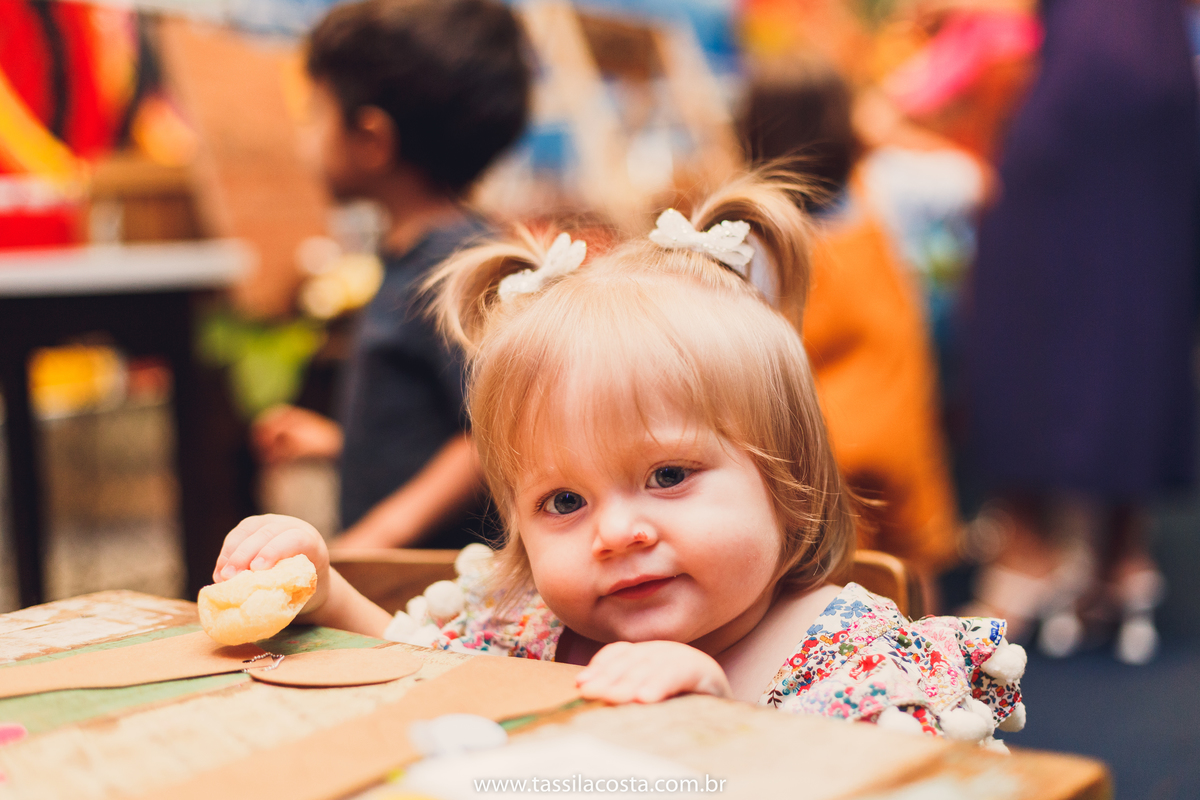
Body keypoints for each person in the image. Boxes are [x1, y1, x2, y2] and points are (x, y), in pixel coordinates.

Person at [212, 175, 1025, 742]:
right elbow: (417, 675)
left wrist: (722, 727)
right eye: (564, 503)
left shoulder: (855, 662)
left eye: (668, 476)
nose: (616, 533)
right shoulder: (533, 631)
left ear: (788, 479)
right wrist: (324, 593)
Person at [963, 0, 1199, 663]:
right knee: (1140, 302)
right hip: (1159, 83)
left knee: (1023, 307)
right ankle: (1121, 556)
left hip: (1082, 82)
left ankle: (1029, 550)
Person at [251, 0, 532, 549]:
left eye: (316, 113)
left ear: (372, 140)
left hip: (431, 586)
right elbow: (435, 420)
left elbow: (491, 436)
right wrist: (338, 443)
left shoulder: (453, 263)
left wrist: (377, 535)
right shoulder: (422, 252)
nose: (304, 137)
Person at [739, 59, 961, 578]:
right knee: (912, 577)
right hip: (900, 425)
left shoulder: (753, 235)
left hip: (812, 447)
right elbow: (970, 180)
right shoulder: (883, 192)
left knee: (836, 584)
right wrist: (892, 131)